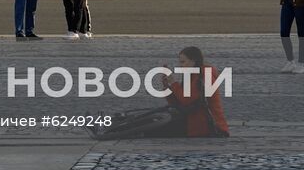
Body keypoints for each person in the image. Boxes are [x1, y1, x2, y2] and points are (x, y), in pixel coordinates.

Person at [96, 46, 228, 139]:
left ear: (193, 61)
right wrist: (167, 85)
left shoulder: (205, 74)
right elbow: (176, 102)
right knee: (151, 117)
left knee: (153, 128)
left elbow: (187, 100)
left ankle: (111, 129)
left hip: (206, 126)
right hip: (192, 121)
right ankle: (109, 124)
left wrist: (173, 83)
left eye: (183, 62)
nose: (180, 65)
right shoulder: (191, 74)